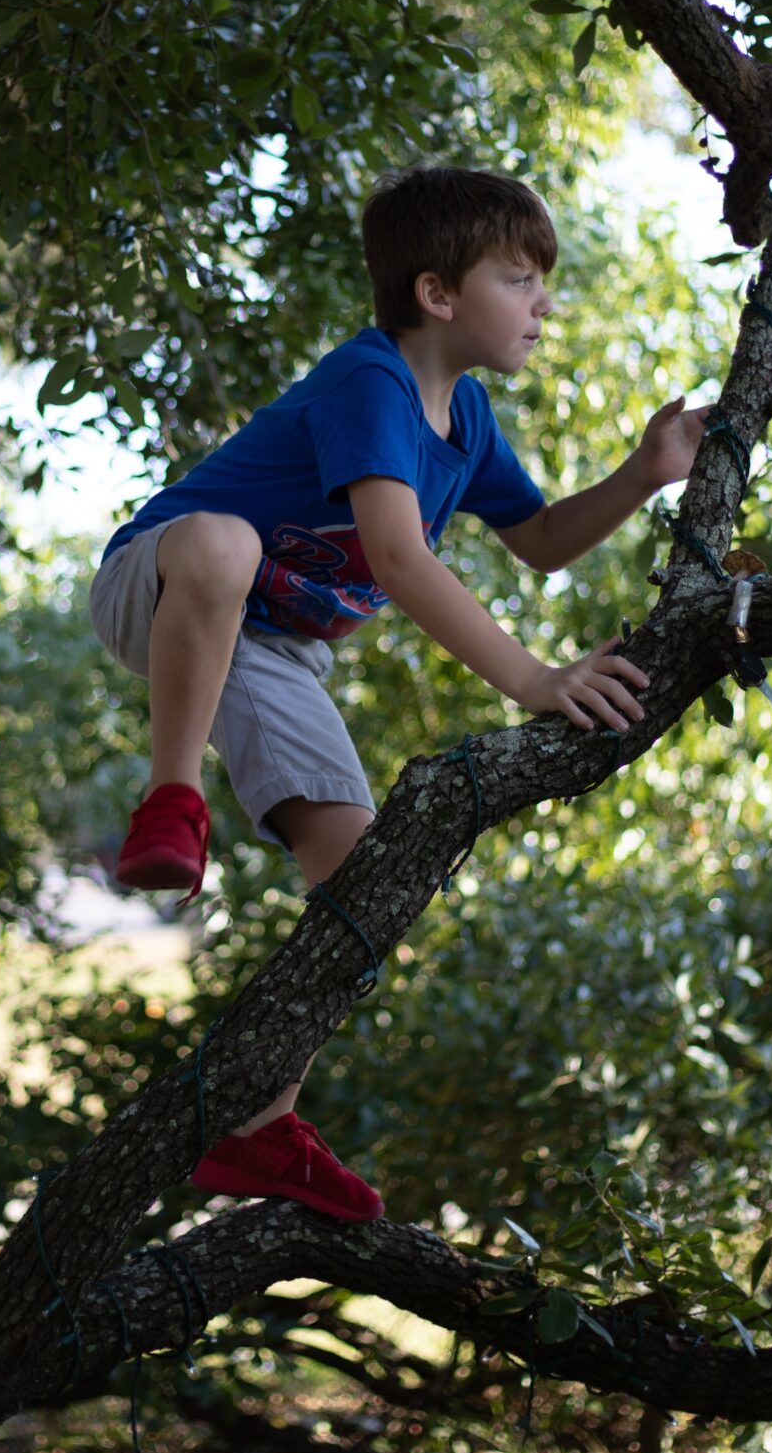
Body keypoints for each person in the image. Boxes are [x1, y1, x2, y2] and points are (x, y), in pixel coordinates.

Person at [86, 166, 706, 1220]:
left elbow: (543, 541)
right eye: (519, 279)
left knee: (360, 865)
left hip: (271, 649)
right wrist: (534, 679)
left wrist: (645, 474)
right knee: (224, 539)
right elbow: (400, 557)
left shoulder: (464, 421)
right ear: (437, 294)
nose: (541, 304)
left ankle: (257, 1125)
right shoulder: (370, 381)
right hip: (164, 586)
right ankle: (171, 799)